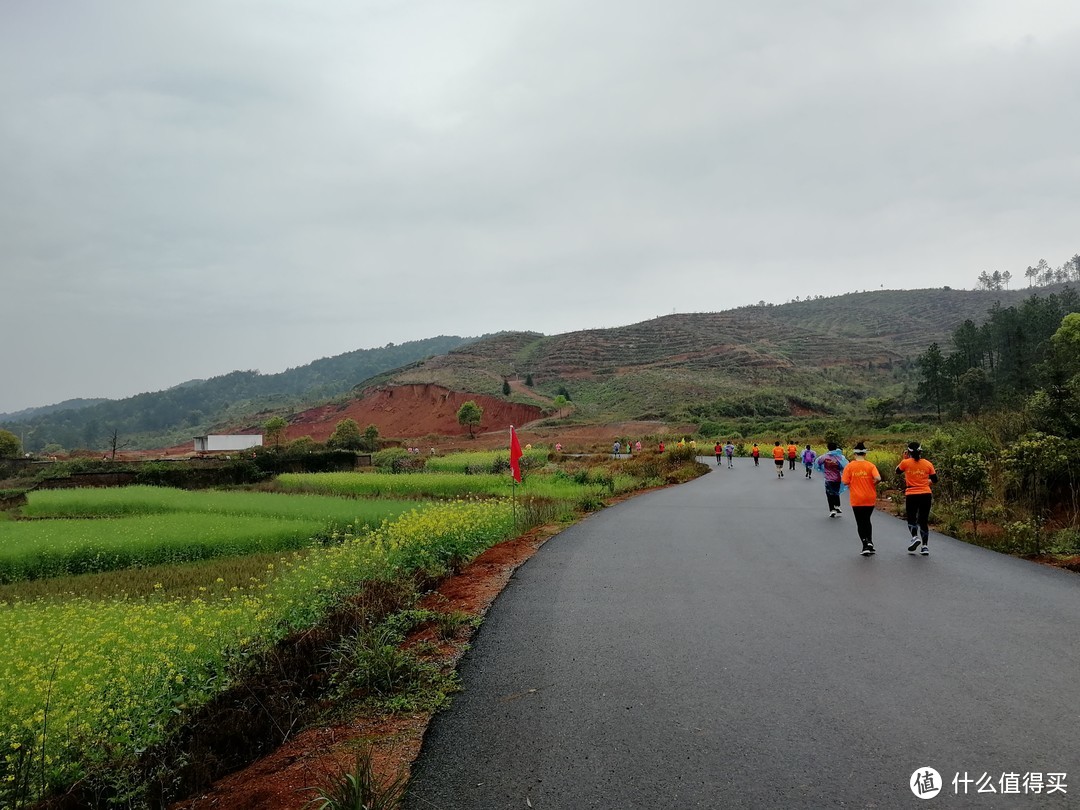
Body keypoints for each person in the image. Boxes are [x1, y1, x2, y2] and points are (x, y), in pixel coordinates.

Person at [897, 441, 938, 556]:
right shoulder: (928, 464)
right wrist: (925, 483)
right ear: (921, 452)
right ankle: (925, 546)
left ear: (908, 452)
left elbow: (897, 471)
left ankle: (915, 537)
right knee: (923, 520)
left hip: (911, 493)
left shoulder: (905, 463)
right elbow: (935, 480)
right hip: (926, 493)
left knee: (911, 518)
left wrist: (904, 458)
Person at [842, 442, 882, 556]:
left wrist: (852, 484)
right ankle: (870, 542)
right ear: (865, 454)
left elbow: (844, 481)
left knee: (860, 522)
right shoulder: (870, 465)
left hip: (857, 498)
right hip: (870, 497)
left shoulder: (849, 466)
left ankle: (865, 544)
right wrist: (873, 484)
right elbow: (878, 478)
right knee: (867, 520)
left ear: (854, 454)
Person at [815, 441, 848, 517]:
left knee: (829, 494)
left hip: (828, 479)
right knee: (836, 492)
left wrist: (822, 469)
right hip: (837, 478)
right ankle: (837, 506)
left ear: (828, 448)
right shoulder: (839, 457)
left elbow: (818, 463)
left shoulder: (824, 457)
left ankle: (832, 510)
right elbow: (844, 466)